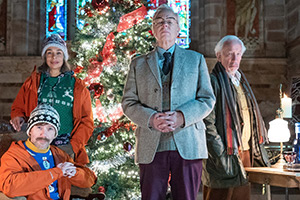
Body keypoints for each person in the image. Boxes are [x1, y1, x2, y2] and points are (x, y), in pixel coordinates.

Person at [122, 4, 215, 200]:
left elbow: (207, 99)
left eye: (170, 21)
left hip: (188, 143)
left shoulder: (195, 60)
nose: (165, 24)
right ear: (153, 29)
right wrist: (151, 119)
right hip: (151, 145)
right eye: (159, 21)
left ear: (178, 28)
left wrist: (182, 116)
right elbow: (128, 102)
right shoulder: (138, 63)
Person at [202, 35, 270, 200]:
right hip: (224, 152)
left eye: (238, 54)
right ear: (219, 56)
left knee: (241, 197)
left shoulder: (241, 81)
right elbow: (207, 122)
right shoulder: (212, 82)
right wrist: (219, 153)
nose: (234, 58)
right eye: (229, 53)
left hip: (245, 152)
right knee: (218, 196)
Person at [10, 34, 93, 165]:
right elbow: (19, 106)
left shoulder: (77, 86)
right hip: (37, 142)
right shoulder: (34, 82)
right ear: (45, 57)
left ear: (64, 57)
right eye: (50, 53)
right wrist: (18, 116)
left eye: (58, 53)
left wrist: (74, 145)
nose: (54, 57)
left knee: (62, 181)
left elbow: (86, 121)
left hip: (65, 144)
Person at [0, 104, 96, 199]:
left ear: (55, 134)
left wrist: (75, 173)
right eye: (39, 127)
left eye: (50, 129)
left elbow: (90, 179)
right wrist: (56, 172)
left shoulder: (60, 155)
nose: (43, 134)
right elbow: (9, 187)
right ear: (30, 131)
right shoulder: (14, 155)